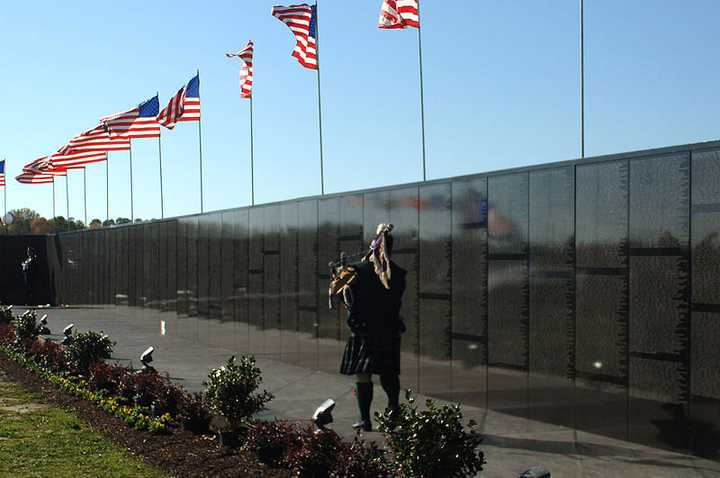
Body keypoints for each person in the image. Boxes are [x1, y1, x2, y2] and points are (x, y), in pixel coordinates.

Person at [335, 224, 406, 431]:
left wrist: (341, 275)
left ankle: (365, 419)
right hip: (389, 328)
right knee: (389, 373)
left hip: (364, 329)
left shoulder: (357, 270)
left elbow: (344, 298)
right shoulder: (399, 273)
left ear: (373, 246)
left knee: (363, 375)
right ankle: (393, 413)